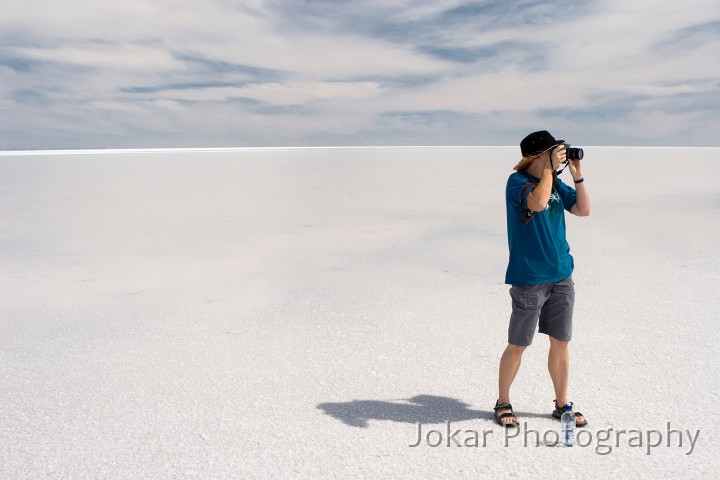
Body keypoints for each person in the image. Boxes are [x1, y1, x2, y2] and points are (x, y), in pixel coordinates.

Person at [493, 130, 591, 428]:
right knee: (518, 343)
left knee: (561, 342)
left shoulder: (557, 185)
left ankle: (562, 404)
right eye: (555, 151)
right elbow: (536, 204)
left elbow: (583, 210)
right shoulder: (517, 183)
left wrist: (577, 176)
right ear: (538, 156)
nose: (561, 154)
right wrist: (547, 169)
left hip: (562, 274)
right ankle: (503, 401)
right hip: (530, 277)